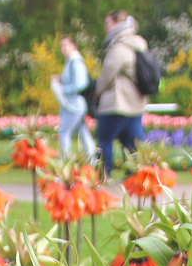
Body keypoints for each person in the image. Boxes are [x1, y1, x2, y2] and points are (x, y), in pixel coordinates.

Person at [94, 11, 148, 175]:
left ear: (118, 23)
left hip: (117, 103)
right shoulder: (138, 42)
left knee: (104, 140)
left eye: (107, 23)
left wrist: (97, 91)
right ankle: (135, 177)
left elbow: (107, 74)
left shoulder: (120, 46)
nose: (105, 28)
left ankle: (103, 176)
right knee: (133, 144)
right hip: (136, 102)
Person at [51, 36, 95, 158]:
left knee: (64, 133)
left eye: (66, 46)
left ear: (73, 46)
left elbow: (81, 84)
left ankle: (64, 161)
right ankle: (92, 160)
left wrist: (62, 90)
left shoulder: (75, 61)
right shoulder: (71, 61)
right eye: (61, 47)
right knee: (83, 134)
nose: (63, 49)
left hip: (74, 105)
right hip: (73, 104)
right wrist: (60, 79)